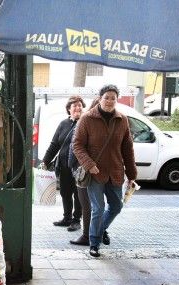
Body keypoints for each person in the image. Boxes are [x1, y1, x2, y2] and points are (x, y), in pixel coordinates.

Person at [73, 85, 137, 257]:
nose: (109, 101)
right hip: (95, 172)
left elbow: (127, 148)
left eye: (113, 98)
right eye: (106, 97)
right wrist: (89, 164)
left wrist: (131, 175)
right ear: (100, 98)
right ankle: (94, 243)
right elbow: (77, 145)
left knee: (116, 206)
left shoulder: (122, 119)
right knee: (98, 208)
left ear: (117, 100)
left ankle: (101, 229)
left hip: (115, 171)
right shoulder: (87, 119)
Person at [42, 96, 85, 231]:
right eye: (75, 106)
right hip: (64, 166)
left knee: (78, 194)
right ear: (69, 109)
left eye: (80, 106)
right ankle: (67, 218)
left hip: (79, 167)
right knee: (65, 193)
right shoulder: (63, 124)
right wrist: (45, 161)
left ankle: (76, 220)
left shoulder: (85, 123)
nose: (78, 108)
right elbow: (55, 144)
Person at [67, 98, 99, 246]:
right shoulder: (88, 122)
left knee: (88, 205)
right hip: (91, 171)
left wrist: (73, 167)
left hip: (86, 171)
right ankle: (98, 232)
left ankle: (89, 235)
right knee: (96, 206)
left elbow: (75, 147)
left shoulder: (84, 122)